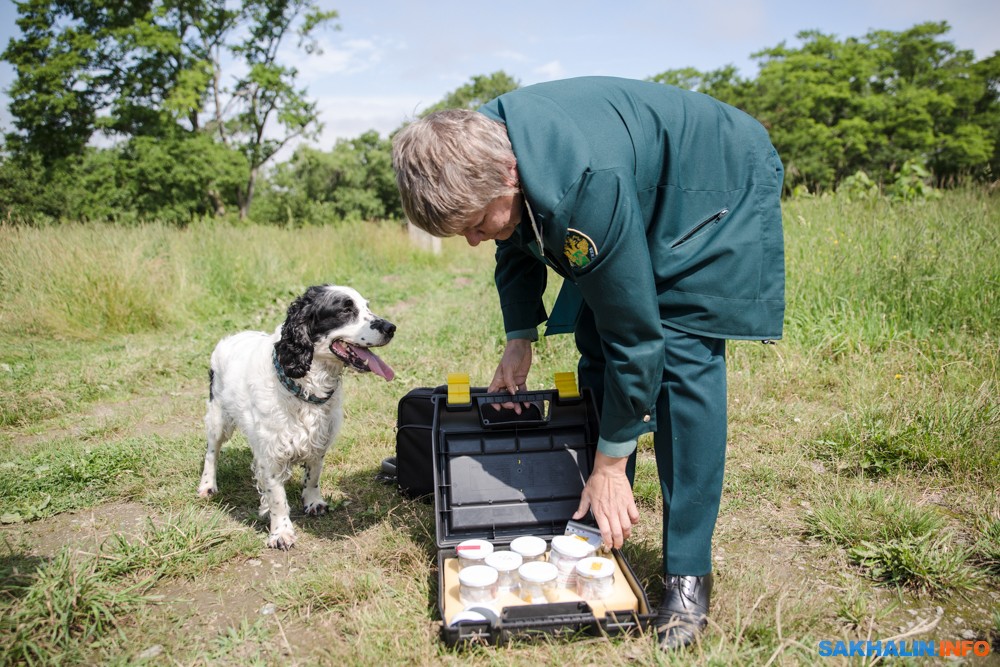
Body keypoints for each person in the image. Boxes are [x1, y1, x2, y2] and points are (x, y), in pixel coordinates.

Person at [392, 76, 785, 650]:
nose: (475, 241)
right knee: (591, 333)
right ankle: (604, 506)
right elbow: (515, 238)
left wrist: (609, 462)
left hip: (710, 181)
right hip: (627, 180)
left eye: (476, 224)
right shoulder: (471, 144)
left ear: (508, 173)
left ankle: (687, 571)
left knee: (681, 359)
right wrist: (519, 336)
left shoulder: (583, 185)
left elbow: (637, 338)